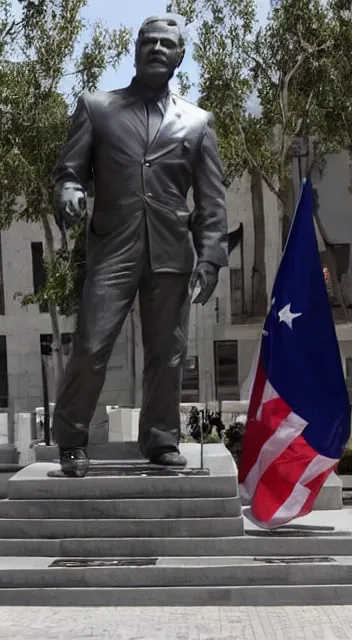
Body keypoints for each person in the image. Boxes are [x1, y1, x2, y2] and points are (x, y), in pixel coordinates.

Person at [52, 14, 228, 477]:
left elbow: (211, 200)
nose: (156, 49)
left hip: (171, 252)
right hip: (112, 248)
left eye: (166, 44)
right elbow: (69, 172)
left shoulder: (197, 122)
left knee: (167, 354)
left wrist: (210, 257)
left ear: (180, 56)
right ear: (135, 49)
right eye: (148, 41)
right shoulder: (97, 107)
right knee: (91, 345)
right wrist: (70, 192)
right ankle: (71, 439)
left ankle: (161, 439)